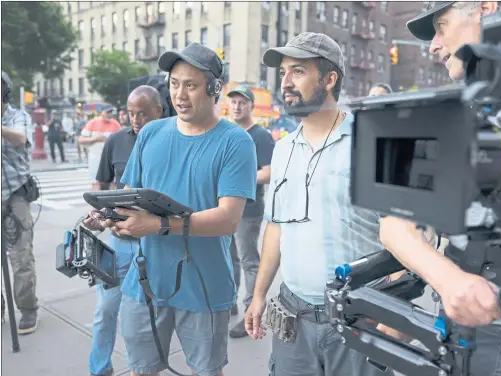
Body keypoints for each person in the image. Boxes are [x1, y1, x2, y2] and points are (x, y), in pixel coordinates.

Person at [380, 2, 501, 375]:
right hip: (473, 328)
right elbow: (394, 225)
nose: (434, 46)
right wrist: (448, 281)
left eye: (441, 26)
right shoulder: (448, 114)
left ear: (485, 7)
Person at [96, 42, 257, 376]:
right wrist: (110, 215)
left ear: (215, 89)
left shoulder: (236, 142)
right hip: (145, 285)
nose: (180, 95)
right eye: (174, 84)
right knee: (142, 369)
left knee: (206, 371)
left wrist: (155, 225)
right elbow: (128, 194)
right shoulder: (152, 132)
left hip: (204, 287)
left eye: (191, 85)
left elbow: (227, 219)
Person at [244, 32, 394, 376]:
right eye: (282, 73)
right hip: (293, 318)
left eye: (297, 71)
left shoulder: (371, 142)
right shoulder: (283, 149)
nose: (285, 82)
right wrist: (258, 294)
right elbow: (276, 227)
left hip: (359, 319)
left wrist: (393, 311)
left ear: (329, 79)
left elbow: (402, 233)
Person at [84, 85, 163, 376]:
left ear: (159, 111)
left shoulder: (169, 141)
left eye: (142, 113)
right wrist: (95, 212)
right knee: (106, 310)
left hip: (154, 244)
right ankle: (99, 369)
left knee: (143, 316)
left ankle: (140, 368)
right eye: (131, 113)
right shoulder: (116, 140)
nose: (136, 119)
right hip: (119, 242)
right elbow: (101, 186)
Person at [226, 84, 275, 338]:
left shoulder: (261, 136)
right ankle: (229, 302)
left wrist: (239, 178)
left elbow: (268, 172)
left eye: (241, 102)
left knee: (248, 260)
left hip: (249, 209)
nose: (236, 106)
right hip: (225, 207)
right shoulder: (227, 133)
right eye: (233, 102)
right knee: (229, 258)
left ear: (251, 106)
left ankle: (250, 313)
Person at [1, 71, 39, 334]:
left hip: (15, 195)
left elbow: (21, 139)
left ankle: (27, 309)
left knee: (20, 257)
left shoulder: (17, 116)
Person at [78, 105, 121, 189]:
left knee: (112, 184)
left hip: (111, 160)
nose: (109, 114)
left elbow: (121, 139)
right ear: (101, 112)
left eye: (111, 112)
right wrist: (96, 138)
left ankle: (110, 201)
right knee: (96, 184)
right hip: (95, 159)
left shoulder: (115, 124)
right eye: (107, 112)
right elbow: (81, 139)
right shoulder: (92, 123)